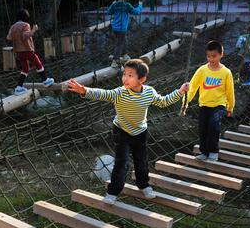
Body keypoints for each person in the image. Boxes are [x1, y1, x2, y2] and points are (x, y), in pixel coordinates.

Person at [67, 59, 189, 204]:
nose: (125, 78)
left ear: (142, 79)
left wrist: (180, 91)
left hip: (140, 133)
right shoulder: (120, 93)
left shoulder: (149, 92)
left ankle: (143, 185)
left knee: (141, 162)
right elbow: (103, 94)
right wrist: (84, 90)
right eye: (124, 74)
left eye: (130, 75)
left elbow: (163, 101)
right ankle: (112, 192)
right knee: (121, 162)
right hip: (121, 132)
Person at [186, 40, 235, 162]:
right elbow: (192, 87)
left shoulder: (226, 72)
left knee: (214, 125)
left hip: (219, 106)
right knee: (203, 128)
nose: (211, 59)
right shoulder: (202, 70)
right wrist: (185, 102)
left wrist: (230, 108)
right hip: (204, 105)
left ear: (221, 55)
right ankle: (204, 152)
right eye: (208, 56)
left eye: (214, 56)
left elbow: (230, 92)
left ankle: (213, 151)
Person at [7, 9, 55, 95]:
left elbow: (9, 37)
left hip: (18, 52)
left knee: (25, 69)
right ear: (26, 17)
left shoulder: (13, 27)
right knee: (38, 63)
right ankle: (45, 80)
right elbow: (25, 35)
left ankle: (19, 87)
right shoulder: (25, 25)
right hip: (27, 50)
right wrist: (33, 30)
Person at [107, 0, 142, 68]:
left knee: (123, 40)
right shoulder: (127, 5)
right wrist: (140, 5)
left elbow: (108, 12)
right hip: (122, 28)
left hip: (115, 27)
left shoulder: (115, 4)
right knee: (119, 44)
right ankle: (115, 61)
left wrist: (112, 4)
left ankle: (125, 54)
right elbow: (136, 12)